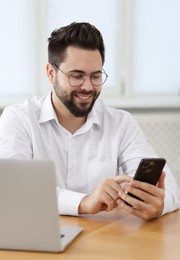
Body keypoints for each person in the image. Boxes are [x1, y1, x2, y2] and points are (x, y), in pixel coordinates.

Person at [0, 22, 179, 220]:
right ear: (51, 73)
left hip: (99, 239)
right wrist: (85, 202)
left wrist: (159, 203)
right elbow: (14, 190)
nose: (87, 87)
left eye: (95, 76)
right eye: (76, 76)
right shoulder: (18, 119)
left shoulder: (120, 123)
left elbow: (170, 188)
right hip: (35, 235)